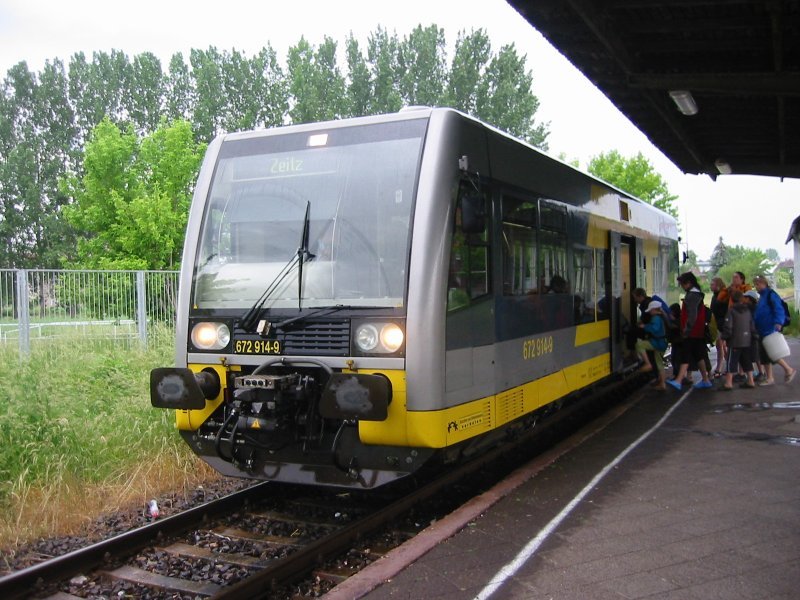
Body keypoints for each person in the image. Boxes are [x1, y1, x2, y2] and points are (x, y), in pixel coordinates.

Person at [667, 272, 713, 390]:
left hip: (691, 331)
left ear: (689, 283)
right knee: (699, 355)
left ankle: (678, 380)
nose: (682, 286)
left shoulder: (692, 296)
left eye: (683, 283)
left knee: (685, 355)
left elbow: (692, 315)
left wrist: (686, 330)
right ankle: (706, 380)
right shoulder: (697, 295)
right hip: (698, 331)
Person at [752, 275, 796, 385]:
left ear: (764, 283)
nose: (756, 286)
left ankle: (788, 370)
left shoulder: (770, 294)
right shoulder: (762, 296)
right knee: (765, 354)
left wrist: (779, 322)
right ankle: (770, 377)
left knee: (772, 352)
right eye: (755, 284)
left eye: (758, 284)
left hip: (770, 328)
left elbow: (778, 308)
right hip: (762, 329)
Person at [719, 290, 756, 390]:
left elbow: (728, 327)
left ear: (732, 299)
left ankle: (728, 383)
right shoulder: (747, 310)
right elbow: (751, 325)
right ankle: (751, 380)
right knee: (746, 361)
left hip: (735, 341)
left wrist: (723, 338)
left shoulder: (731, 311)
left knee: (731, 362)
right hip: (746, 340)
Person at [635, 300, 668, 389]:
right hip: (663, 342)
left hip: (657, 342)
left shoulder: (656, 318)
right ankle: (662, 384)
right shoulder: (661, 316)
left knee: (639, 344)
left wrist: (644, 326)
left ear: (654, 310)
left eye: (650, 310)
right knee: (659, 364)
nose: (649, 312)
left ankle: (648, 363)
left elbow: (655, 329)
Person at [709, 276, 729, 377]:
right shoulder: (715, 296)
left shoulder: (722, 296)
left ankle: (720, 368)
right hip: (717, 323)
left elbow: (723, 310)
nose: (710, 286)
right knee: (721, 346)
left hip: (722, 324)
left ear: (718, 285)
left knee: (720, 346)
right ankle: (726, 367)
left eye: (712, 284)